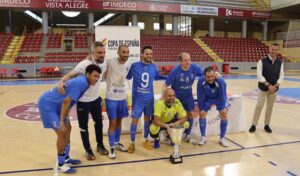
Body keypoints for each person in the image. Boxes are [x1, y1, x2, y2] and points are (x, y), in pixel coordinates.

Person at [38, 64, 101, 173]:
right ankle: (61, 164)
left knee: (69, 128)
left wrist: (66, 116)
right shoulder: (81, 83)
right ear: (87, 74)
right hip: (48, 105)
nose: (96, 79)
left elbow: (69, 101)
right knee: (62, 132)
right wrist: (62, 120)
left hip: (57, 106)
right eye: (95, 76)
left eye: (98, 77)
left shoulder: (86, 83)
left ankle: (66, 158)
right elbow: (66, 101)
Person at [58, 42, 108, 160]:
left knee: (99, 124)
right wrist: (61, 81)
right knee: (83, 127)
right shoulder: (84, 64)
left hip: (96, 100)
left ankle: (100, 146)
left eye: (104, 52)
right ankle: (88, 150)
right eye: (99, 53)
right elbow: (70, 75)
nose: (102, 55)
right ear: (93, 53)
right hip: (83, 101)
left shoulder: (104, 62)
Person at [126, 46, 166, 153]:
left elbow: (158, 77)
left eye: (151, 54)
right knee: (135, 120)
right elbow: (128, 77)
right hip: (138, 99)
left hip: (149, 99)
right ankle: (132, 143)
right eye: (147, 54)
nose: (149, 56)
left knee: (147, 119)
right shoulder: (134, 66)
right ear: (142, 55)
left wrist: (170, 77)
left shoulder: (153, 66)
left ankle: (145, 140)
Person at [162, 52, 204, 143]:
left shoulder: (194, 67)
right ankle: (171, 135)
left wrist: (216, 73)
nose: (188, 62)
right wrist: (163, 96)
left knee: (191, 114)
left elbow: (205, 74)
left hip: (188, 95)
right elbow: (165, 84)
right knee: (174, 115)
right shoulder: (175, 71)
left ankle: (187, 135)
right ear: (180, 61)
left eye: (189, 59)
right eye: (185, 60)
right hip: (176, 96)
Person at [102, 45, 131, 159]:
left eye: (127, 52)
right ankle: (112, 147)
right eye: (123, 52)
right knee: (112, 123)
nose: (126, 54)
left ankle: (117, 143)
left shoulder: (129, 63)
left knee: (119, 122)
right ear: (118, 52)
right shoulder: (109, 61)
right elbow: (100, 70)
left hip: (122, 98)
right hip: (111, 98)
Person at [249, 43, 284, 133]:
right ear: (269, 49)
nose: (274, 51)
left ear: (278, 50)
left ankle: (267, 125)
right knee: (259, 106)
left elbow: (281, 76)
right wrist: (268, 85)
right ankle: (254, 124)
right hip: (263, 88)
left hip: (274, 89)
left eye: (276, 49)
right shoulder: (262, 61)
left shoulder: (280, 63)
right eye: (272, 49)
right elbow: (259, 75)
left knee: (270, 107)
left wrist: (275, 86)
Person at [196, 66, 229, 147]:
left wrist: (222, 108)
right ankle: (203, 137)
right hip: (208, 98)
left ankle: (222, 138)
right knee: (202, 113)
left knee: (224, 113)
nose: (211, 79)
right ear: (204, 76)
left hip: (219, 97)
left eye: (212, 76)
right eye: (208, 77)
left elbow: (222, 95)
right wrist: (202, 108)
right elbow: (200, 96)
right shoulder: (200, 81)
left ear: (215, 75)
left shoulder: (221, 81)